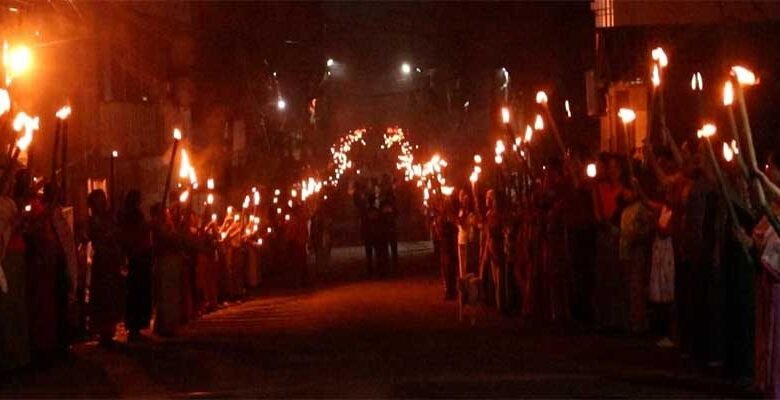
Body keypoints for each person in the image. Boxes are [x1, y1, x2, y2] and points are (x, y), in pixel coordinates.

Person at [86, 189, 124, 346]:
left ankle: (109, 330)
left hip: (111, 261)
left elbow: (116, 235)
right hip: (102, 262)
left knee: (111, 295)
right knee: (103, 296)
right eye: (100, 201)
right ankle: (103, 332)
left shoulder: (109, 218)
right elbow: (97, 238)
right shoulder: (93, 220)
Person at [118, 190, 153, 342]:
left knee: (139, 293)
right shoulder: (131, 215)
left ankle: (136, 328)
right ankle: (133, 329)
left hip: (139, 257)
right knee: (136, 293)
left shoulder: (133, 214)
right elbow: (135, 233)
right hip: (136, 257)